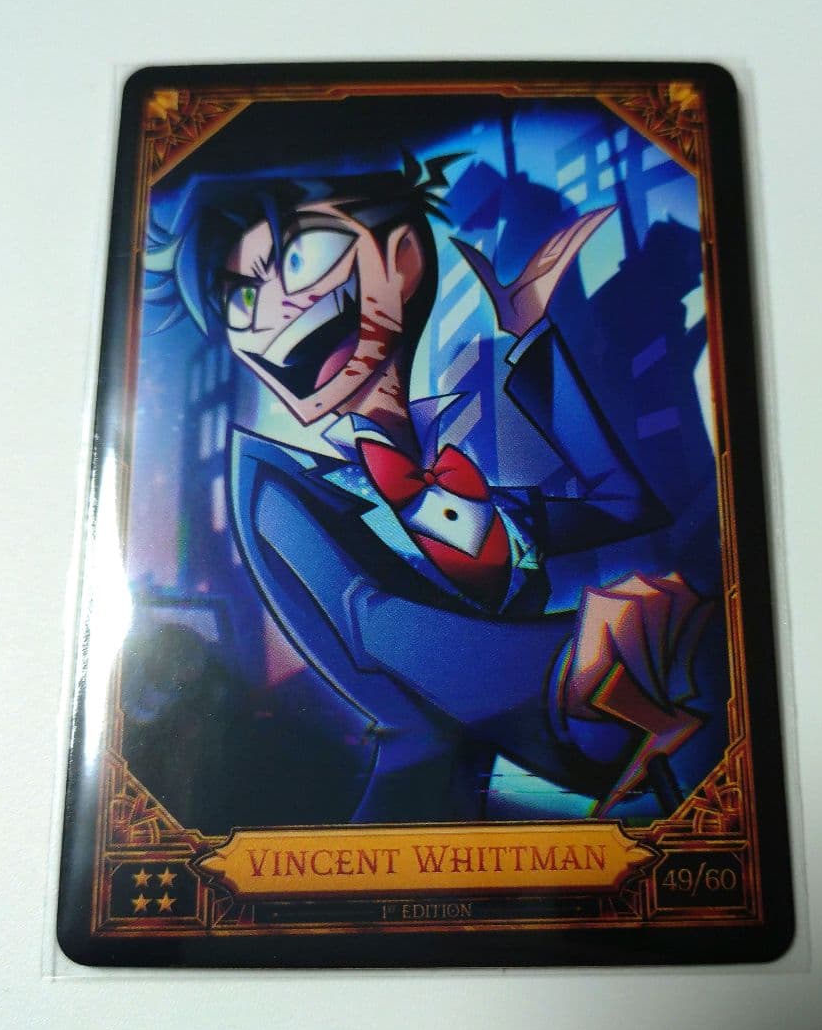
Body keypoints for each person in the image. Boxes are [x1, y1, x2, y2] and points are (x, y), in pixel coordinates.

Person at [148, 154, 707, 822]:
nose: (275, 312)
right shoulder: (275, 486)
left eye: (298, 260)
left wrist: (531, 334)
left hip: (559, 800)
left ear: (403, 261)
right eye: (243, 299)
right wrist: (571, 661)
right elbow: (378, 625)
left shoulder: (460, 465)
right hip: (418, 815)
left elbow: (619, 506)